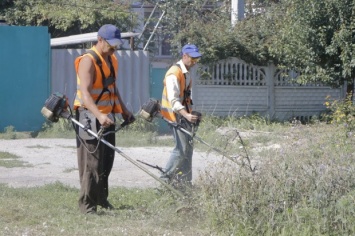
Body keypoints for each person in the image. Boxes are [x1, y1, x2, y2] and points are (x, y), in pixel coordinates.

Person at [73, 24, 133, 214]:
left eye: (116, 44)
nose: (114, 48)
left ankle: (101, 199)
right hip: (88, 115)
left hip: (107, 116)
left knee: (107, 161)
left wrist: (124, 110)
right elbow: (85, 95)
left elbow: (113, 89)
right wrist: (99, 115)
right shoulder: (88, 61)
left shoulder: (112, 59)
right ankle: (87, 206)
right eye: (111, 44)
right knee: (92, 162)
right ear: (100, 40)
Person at [160, 44, 202, 187]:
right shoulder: (174, 73)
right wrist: (186, 115)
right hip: (174, 116)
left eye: (197, 59)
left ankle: (185, 182)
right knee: (181, 149)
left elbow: (185, 97)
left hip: (184, 116)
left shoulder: (186, 72)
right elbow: (174, 101)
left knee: (188, 149)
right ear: (184, 56)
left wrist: (190, 114)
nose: (195, 62)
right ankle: (164, 181)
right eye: (193, 59)